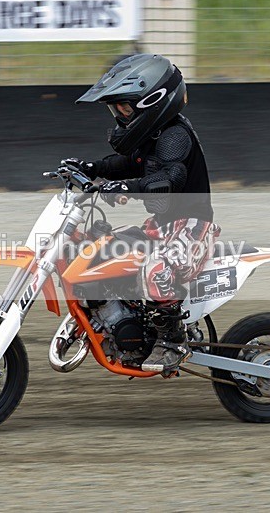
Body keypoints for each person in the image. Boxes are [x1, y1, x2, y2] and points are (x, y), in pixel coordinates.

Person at [64, 54, 218, 373]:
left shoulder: (175, 135)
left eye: (124, 107)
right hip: (160, 227)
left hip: (191, 229)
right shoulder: (154, 136)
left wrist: (124, 187)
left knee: (155, 270)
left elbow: (169, 178)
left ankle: (173, 341)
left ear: (152, 102)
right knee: (101, 250)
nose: (120, 115)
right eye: (116, 109)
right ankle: (120, 321)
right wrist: (90, 168)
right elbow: (125, 163)